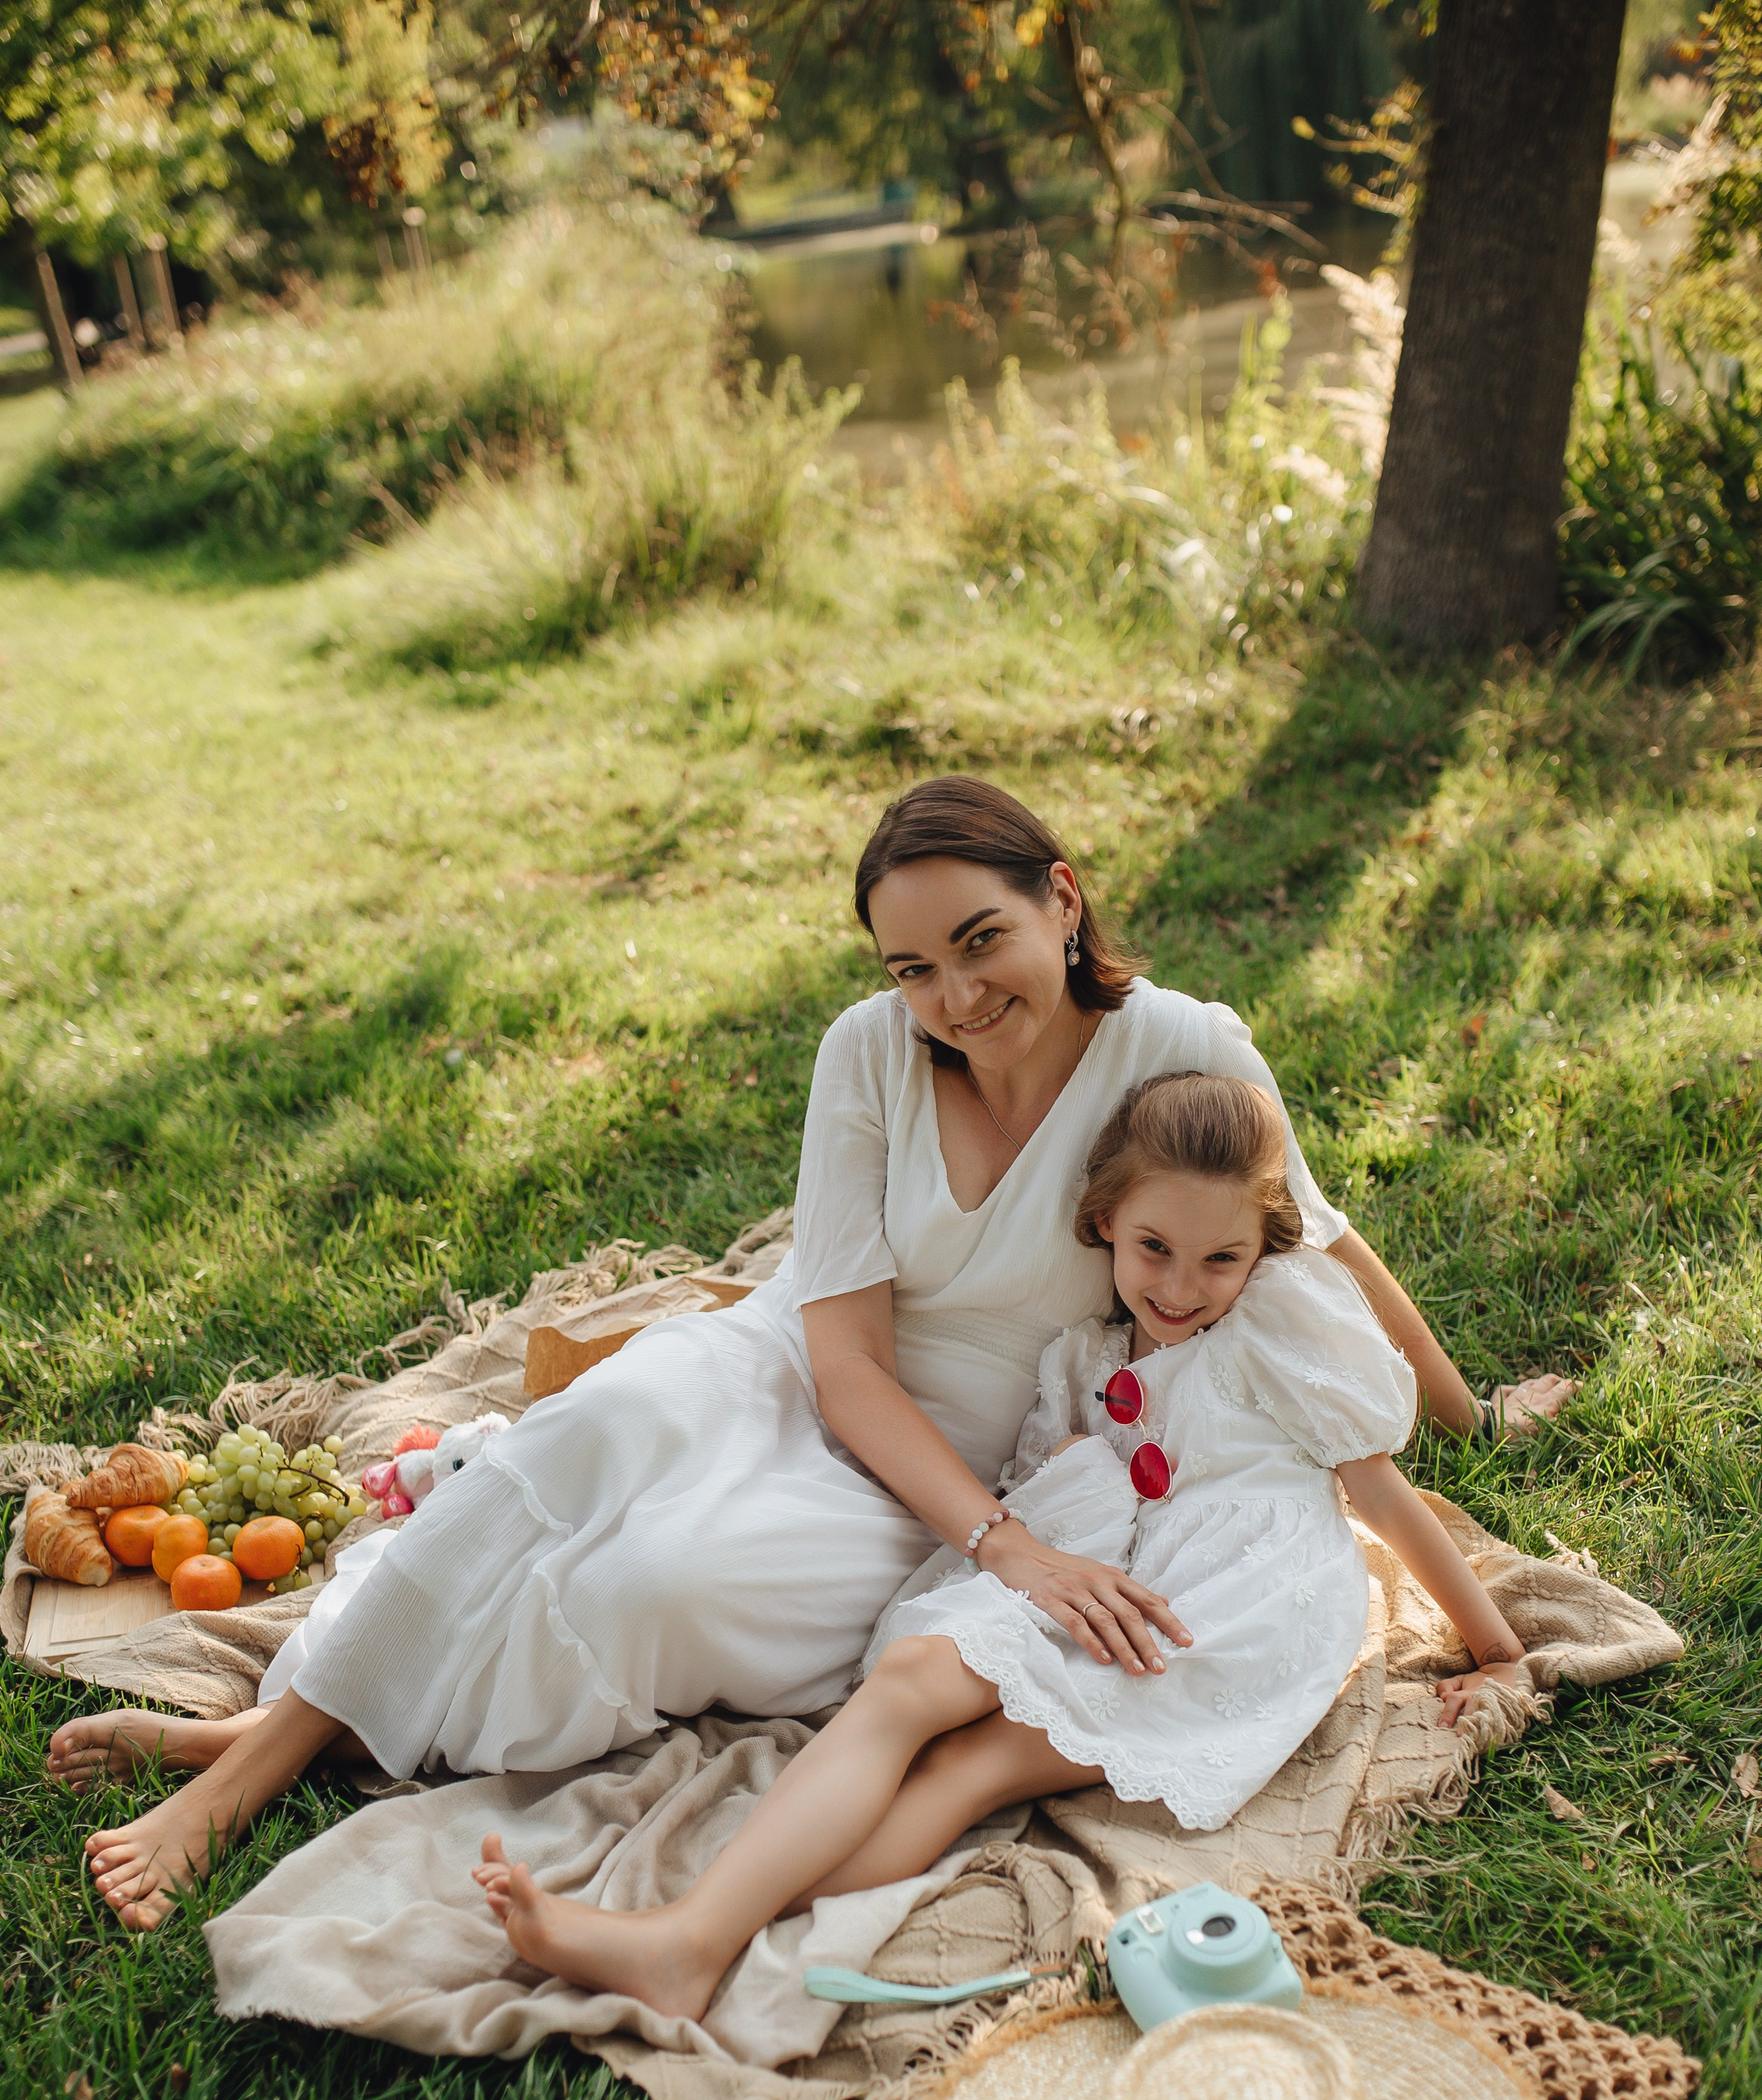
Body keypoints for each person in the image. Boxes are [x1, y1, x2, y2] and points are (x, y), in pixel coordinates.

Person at [54, 775, 1566, 1930]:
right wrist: (1018, 1560)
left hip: (990, 1460)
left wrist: (1463, 1413)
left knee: (655, 1589)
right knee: (592, 1431)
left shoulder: (1186, 1050)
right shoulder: (866, 1054)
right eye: (914, 968)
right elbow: (841, 1357)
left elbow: (1310, 1234)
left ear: (1062, 899)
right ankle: (252, 1762)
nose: (955, 997)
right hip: (807, 1370)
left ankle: (307, 1719)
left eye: (982, 942)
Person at [470, 1072, 1529, 2017]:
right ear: (1106, 1223)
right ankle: (690, 1935)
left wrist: (1497, 1653)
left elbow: (1384, 1501)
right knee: (920, 1678)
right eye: (1154, 1249)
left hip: (1232, 1608)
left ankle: (689, 1942)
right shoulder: (1078, 1360)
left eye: (1223, 1259)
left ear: (1265, 1251)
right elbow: (1038, 1493)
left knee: (970, 1766)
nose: (1180, 1288)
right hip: (1111, 1565)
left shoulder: (1274, 1338)